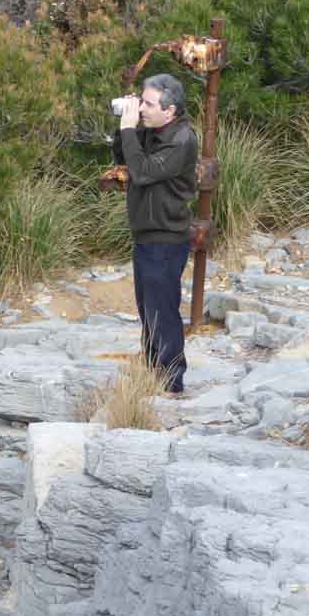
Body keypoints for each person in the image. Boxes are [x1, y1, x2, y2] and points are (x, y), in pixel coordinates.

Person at [111, 73, 198, 394]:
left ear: (169, 110)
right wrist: (125, 128)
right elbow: (124, 157)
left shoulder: (181, 140)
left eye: (148, 104)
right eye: (142, 102)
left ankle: (172, 382)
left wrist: (128, 130)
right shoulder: (153, 130)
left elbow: (143, 172)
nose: (142, 109)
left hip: (166, 237)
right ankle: (153, 374)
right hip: (147, 236)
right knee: (148, 311)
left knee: (163, 311)